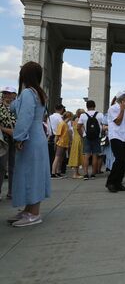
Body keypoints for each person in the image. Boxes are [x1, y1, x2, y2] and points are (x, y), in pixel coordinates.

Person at [7, 61, 50, 227]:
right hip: (37, 136)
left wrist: (18, 137)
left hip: (30, 138)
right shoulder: (39, 93)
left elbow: (25, 118)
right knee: (34, 173)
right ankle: (29, 209)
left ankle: (34, 213)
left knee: (30, 174)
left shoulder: (27, 93)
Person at [105, 91, 125, 193]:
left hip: (124, 137)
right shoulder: (113, 108)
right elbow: (118, 121)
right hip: (116, 136)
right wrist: (121, 109)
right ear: (121, 100)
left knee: (124, 160)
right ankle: (110, 182)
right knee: (119, 159)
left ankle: (118, 183)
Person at [77, 100, 105, 180]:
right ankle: (93, 174)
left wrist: (82, 135)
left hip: (87, 137)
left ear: (87, 106)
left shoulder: (83, 115)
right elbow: (103, 126)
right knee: (95, 155)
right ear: (94, 105)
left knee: (86, 155)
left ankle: (85, 174)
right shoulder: (100, 115)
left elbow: (78, 127)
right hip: (97, 137)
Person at [0, 86, 17, 199]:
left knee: (14, 167)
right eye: (5, 93)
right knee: (1, 166)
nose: (7, 95)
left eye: (9, 93)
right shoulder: (0, 107)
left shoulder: (17, 107)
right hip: (3, 140)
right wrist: (7, 130)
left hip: (15, 140)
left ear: (14, 95)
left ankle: (12, 191)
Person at [51, 111, 73, 178]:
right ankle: (53, 172)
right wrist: (55, 143)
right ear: (69, 117)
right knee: (57, 158)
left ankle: (58, 171)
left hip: (64, 143)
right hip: (61, 143)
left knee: (60, 158)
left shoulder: (65, 124)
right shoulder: (62, 124)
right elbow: (57, 135)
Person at [68, 109, 85, 179]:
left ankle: (77, 173)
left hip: (75, 138)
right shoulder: (80, 121)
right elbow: (81, 130)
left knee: (76, 155)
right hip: (79, 138)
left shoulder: (75, 120)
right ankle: (75, 174)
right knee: (77, 156)